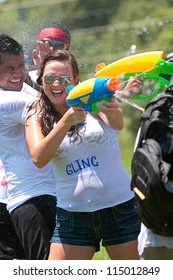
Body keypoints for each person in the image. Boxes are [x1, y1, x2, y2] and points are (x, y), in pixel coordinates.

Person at [25, 50, 141, 260]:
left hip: (119, 208)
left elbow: (118, 123)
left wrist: (112, 107)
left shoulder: (90, 99)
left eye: (64, 78)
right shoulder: (37, 115)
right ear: (41, 80)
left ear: (75, 80)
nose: (56, 84)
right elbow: (38, 158)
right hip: (72, 216)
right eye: (50, 78)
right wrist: (65, 123)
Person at [0, 33, 57, 260]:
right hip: (31, 199)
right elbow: (54, 104)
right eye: (8, 68)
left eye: (20, 65)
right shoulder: (6, 100)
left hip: (35, 194)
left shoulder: (19, 88)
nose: (18, 74)